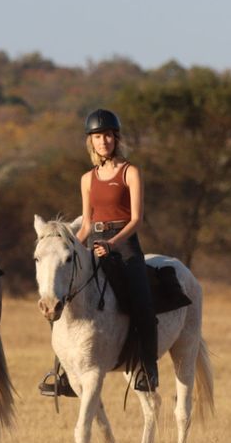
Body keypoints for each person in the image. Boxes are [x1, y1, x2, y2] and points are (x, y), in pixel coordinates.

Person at [39, 108, 159, 395]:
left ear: (115, 138)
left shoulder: (131, 172)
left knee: (142, 302)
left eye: (107, 135)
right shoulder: (87, 179)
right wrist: (71, 248)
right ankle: (64, 375)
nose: (103, 141)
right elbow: (88, 224)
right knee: (62, 298)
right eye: (97, 137)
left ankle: (147, 368)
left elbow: (136, 219)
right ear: (90, 142)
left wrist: (112, 243)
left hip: (125, 245)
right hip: (95, 243)